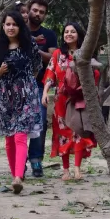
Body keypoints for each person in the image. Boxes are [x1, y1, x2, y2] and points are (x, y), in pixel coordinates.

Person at [0, 11, 43, 194]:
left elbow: (37, 67)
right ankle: (15, 178)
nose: (11, 27)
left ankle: (19, 176)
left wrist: (27, 85)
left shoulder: (30, 45)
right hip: (5, 97)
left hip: (26, 95)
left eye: (14, 24)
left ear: (20, 27)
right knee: (9, 138)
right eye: (7, 24)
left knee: (20, 135)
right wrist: (0, 72)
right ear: (3, 27)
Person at [42, 22, 100, 181]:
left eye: (72, 32)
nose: (68, 34)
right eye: (66, 31)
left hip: (80, 100)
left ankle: (77, 169)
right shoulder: (57, 55)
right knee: (63, 134)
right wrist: (45, 92)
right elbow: (50, 74)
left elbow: (94, 74)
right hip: (61, 100)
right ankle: (66, 170)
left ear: (78, 35)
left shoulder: (84, 54)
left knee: (79, 132)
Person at [26, 0, 57, 178]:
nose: (38, 14)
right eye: (35, 10)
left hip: (40, 84)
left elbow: (52, 58)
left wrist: (34, 49)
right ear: (29, 10)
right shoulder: (17, 30)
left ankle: (36, 159)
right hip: (18, 84)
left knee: (40, 121)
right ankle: (19, 161)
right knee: (19, 124)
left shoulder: (49, 35)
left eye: (42, 12)